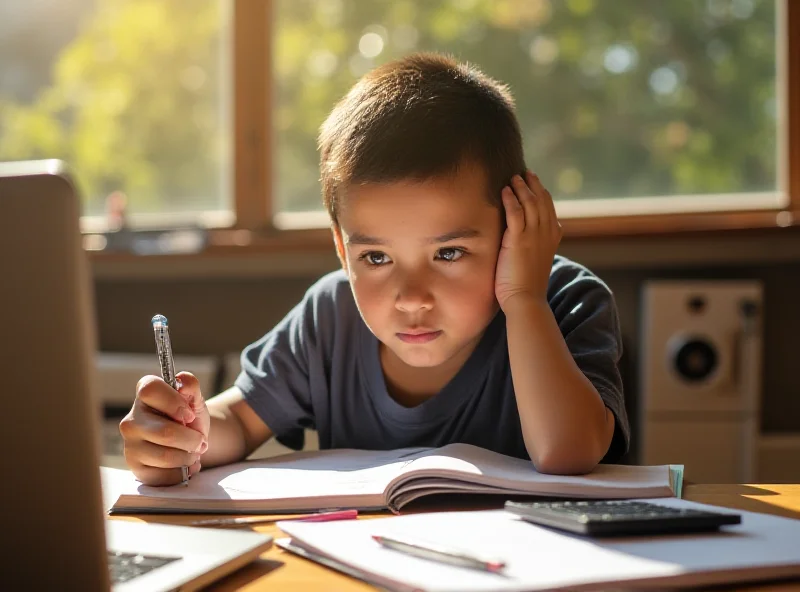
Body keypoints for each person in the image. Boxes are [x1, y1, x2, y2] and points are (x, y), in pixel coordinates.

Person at [120, 52, 630, 486]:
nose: (411, 297)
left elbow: (568, 453)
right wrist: (179, 435)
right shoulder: (331, 316)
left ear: (514, 229)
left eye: (448, 253)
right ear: (342, 249)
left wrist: (524, 300)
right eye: (377, 258)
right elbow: (236, 419)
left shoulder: (564, 300)